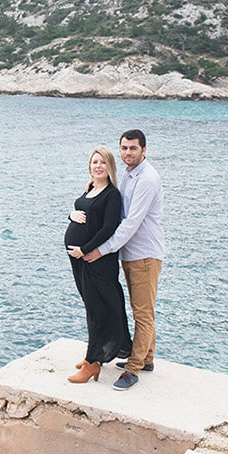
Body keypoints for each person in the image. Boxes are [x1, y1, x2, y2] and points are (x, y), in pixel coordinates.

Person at [83, 129, 164, 391]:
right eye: (124, 148)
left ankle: (133, 368)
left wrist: (101, 250)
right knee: (139, 308)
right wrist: (93, 187)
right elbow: (114, 204)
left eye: (133, 148)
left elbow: (130, 223)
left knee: (142, 312)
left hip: (144, 254)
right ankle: (147, 358)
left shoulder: (147, 178)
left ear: (144, 150)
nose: (128, 152)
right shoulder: (129, 175)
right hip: (130, 254)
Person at [64, 147, 132, 383]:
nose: (98, 166)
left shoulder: (112, 195)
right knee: (92, 306)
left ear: (110, 166)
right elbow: (81, 211)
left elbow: (108, 228)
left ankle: (93, 363)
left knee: (97, 308)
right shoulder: (91, 188)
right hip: (82, 261)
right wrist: (70, 216)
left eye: (103, 162)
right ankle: (94, 354)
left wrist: (85, 250)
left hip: (97, 261)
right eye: (94, 162)